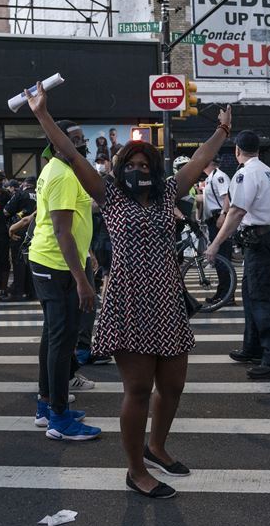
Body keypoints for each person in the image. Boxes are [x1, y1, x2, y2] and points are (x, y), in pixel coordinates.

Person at [27, 81, 232, 497]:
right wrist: (42, 114)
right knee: (138, 389)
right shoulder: (111, 194)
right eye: (132, 163)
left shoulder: (167, 193)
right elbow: (68, 152)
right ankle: (135, 469)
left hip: (168, 301)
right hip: (131, 301)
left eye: (145, 163)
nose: (139, 169)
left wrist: (223, 131)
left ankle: (157, 447)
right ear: (121, 169)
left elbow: (199, 159)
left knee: (173, 385)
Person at [24, 109, 100, 443]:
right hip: (57, 265)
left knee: (54, 336)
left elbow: (75, 221)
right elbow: (61, 231)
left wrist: (88, 254)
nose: (82, 145)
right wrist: (82, 279)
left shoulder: (61, 169)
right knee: (63, 339)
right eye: (76, 140)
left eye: (83, 139)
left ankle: (47, 405)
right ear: (58, 144)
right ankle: (58, 418)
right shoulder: (63, 175)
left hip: (55, 261)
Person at [207, 130, 270, 380]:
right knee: (252, 294)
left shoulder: (245, 174)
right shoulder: (268, 170)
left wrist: (216, 244)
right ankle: (253, 347)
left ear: (237, 151)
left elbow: (236, 212)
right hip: (269, 237)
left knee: (263, 298)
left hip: (260, 240)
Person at [202, 157, 234, 304]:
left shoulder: (219, 176)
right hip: (213, 220)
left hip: (218, 219)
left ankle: (226, 295)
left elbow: (227, 196)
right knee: (218, 258)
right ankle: (222, 293)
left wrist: (223, 214)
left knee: (222, 257)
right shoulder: (210, 178)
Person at [3, 175, 38, 301]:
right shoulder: (41, 194)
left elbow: (6, 211)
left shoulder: (20, 194)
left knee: (19, 261)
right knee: (31, 261)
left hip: (20, 229)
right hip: (36, 231)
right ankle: (32, 292)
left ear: (25, 184)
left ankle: (17, 292)